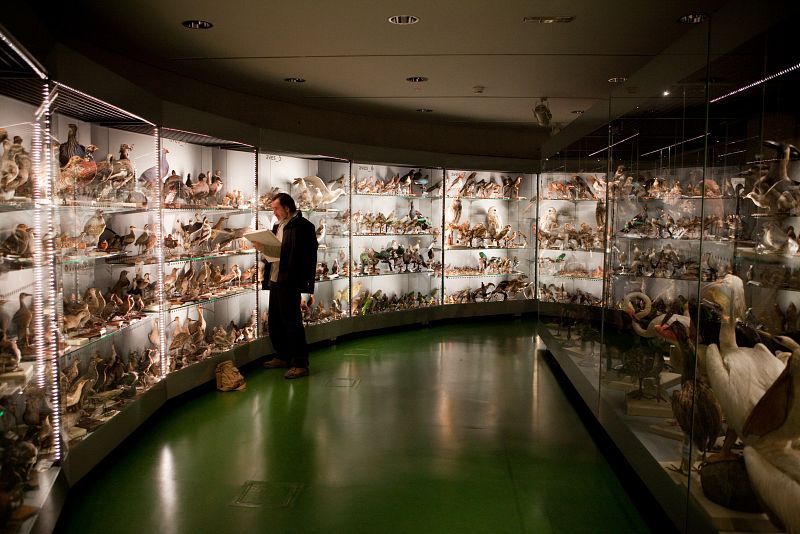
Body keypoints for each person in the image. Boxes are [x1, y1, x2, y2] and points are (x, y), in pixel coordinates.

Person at [256, 192, 318, 379]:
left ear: (287, 208)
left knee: (292, 322)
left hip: (290, 281)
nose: (273, 212)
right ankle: (282, 356)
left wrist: (305, 283)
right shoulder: (278, 226)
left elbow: (307, 256)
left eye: (276, 208)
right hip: (275, 278)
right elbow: (277, 252)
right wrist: (264, 248)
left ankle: (300, 363)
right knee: (275, 320)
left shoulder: (304, 227)